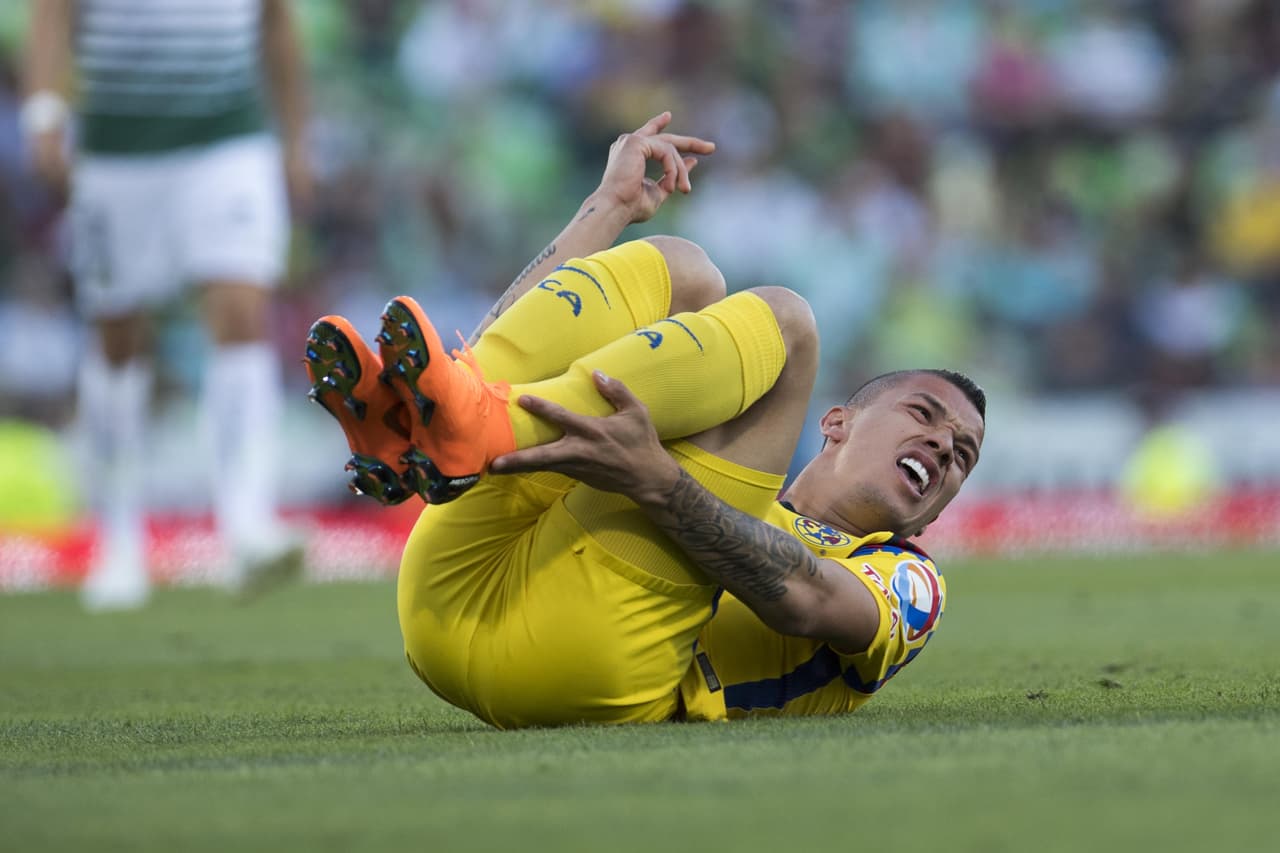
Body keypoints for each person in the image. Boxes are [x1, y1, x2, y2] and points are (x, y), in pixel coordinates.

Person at [305, 112, 986, 728]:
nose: (940, 445)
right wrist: (606, 209)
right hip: (447, 587)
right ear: (836, 422)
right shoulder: (708, 439)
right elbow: (492, 379)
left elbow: (804, 602)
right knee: (685, 270)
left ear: (932, 516)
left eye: (961, 456)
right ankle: (426, 434)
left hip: (584, 664)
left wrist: (656, 480)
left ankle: (478, 428)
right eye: (924, 414)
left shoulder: (907, 577)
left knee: (789, 326)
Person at [22, 0, 311, 609]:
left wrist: (296, 137)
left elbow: (278, 19)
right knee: (119, 335)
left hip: (227, 136)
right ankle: (118, 535)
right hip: (116, 149)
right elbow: (51, 11)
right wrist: (44, 112)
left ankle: (247, 522)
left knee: (242, 307)